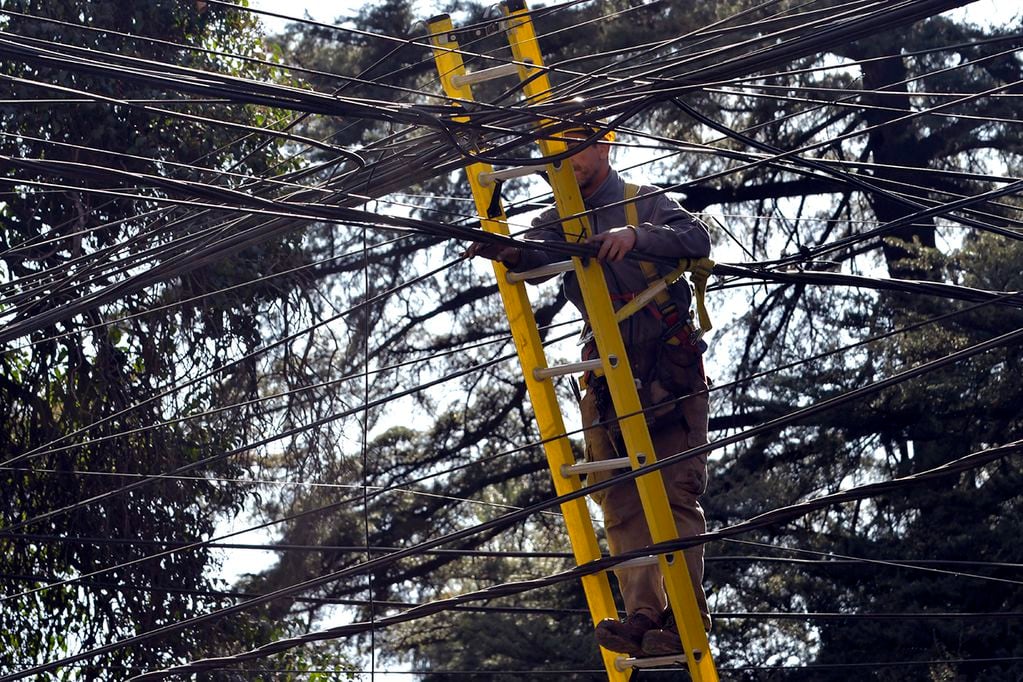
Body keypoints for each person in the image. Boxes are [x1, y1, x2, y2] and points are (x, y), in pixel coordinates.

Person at [469, 125, 712, 657]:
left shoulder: (640, 200)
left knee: (673, 493)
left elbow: (696, 239)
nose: (563, 157)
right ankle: (643, 615)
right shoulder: (559, 218)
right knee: (621, 501)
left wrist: (637, 237)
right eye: (553, 148)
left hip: (668, 369)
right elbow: (534, 258)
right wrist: (507, 252)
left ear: (605, 145)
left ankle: (684, 617)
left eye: (575, 145)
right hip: (606, 377)